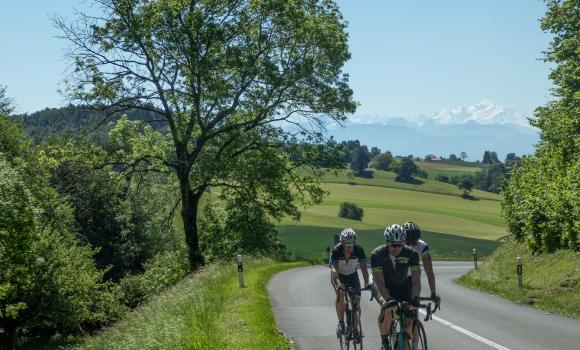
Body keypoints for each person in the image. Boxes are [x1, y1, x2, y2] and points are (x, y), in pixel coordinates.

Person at [370, 224, 420, 350]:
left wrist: (414, 298)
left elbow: (415, 281)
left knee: (409, 319)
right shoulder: (377, 254)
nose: (396, 248)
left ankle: (403, 341)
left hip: (401, 285)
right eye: (393, 245)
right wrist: (388, 299)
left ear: (404, 242)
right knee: (387, 308)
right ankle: (385, 342)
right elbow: (379, 281)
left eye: (400, 245)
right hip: (382, 285)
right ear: (387, 242)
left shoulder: (412, 254)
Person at [330, 228, 370, 341]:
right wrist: (338, 284)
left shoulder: (359, 250)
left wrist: (367, 282)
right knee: (341, 294)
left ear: (355, 244)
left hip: (352, 275)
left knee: (357, 302)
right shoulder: (336, 250)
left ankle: (356, 329)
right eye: (346, 245)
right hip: (339, 275)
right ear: (342, 243)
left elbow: (364, 269)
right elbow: (334, 270)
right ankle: (341, 323)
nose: (349, 248)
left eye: (351, 245)